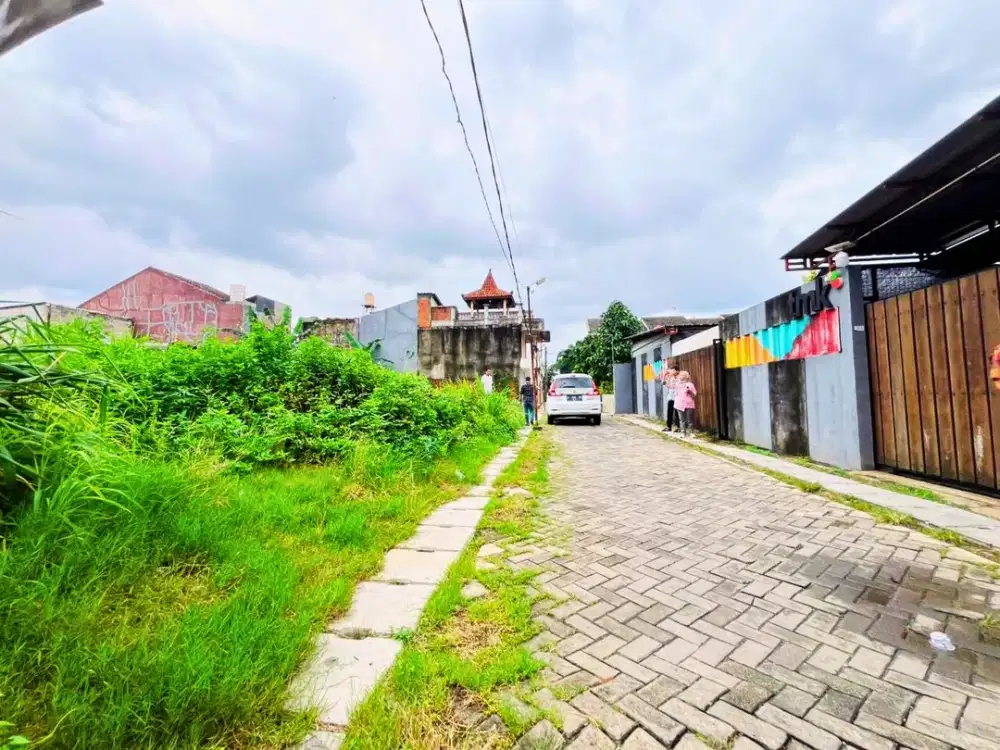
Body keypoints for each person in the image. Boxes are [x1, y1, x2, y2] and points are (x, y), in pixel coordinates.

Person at [674, 370, 698, 436]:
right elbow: (667, 384)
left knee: (689, 420)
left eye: (684, 375)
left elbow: (695, 394)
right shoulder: (676, 384)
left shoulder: (690, 384)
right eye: (681, 375)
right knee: (682, 420)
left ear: (687, 376)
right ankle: (683, 433)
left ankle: (691, 433)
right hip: (679, 404)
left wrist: (690, 391)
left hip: (689, 404)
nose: (682, 376)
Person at [662, 364, 679, 432]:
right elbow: (665, 384)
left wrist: (670, 375)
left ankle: (679, 427)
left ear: (677, 371)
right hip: (671, 397)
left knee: (677, 413)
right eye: (672, 370)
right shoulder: (671, 378)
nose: (672, 372)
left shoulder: (679, 377)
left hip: (678, 397)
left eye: (674, 370)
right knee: (669, 412)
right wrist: (665, 375)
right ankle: (669, 427)